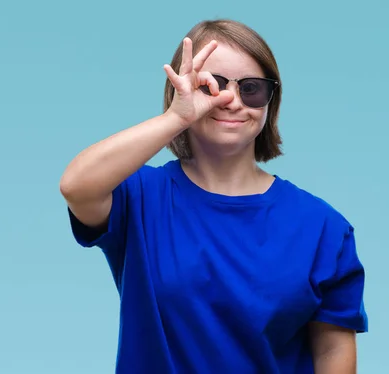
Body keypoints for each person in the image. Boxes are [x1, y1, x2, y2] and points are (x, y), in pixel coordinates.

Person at [59, 18, 368, 374]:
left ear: (271, 101)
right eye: (212, 86)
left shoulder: (323, 228)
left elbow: (332, 354)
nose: (231, 100)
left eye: (251, 88)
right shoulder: (138, 197)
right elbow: (75, 185)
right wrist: (178, 116)